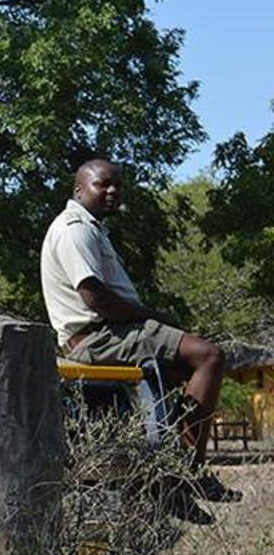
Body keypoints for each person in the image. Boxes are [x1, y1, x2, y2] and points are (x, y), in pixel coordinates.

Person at [40, 158, 238, 519]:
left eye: (118, 185)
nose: (113, 191)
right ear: (79, 189)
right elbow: (94, 297)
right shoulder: (75, 229)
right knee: (208, 356)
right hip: (98, 337)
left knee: (189, 376)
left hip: (106, 333)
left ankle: (164, 469)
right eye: (103, 184)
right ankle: (183, 475)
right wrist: (151, 315)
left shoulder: (93, 229)